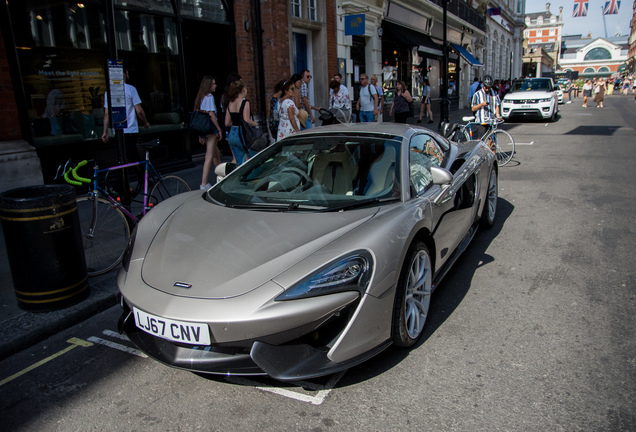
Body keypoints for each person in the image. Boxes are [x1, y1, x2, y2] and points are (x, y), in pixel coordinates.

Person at [102, 69, 150, 163]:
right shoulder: (131, 89)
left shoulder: (109, 92)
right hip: (130, 129)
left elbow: (107, 114)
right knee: (134, 158)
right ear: (125, 74)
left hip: (118, 131)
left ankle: (128, 176)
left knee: (122, 158)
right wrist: (145, 122)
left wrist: (105, 132)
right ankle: (141, 177)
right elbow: (139, 110)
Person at [193, 76, 223, 189]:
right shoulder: (209, 97)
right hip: (210, 129)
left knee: (216, 153)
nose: (215, 85)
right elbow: (211, 115)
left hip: (203, 129)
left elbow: (198, 116)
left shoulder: (200, 98)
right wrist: (219, 129)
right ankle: (204, 183)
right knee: (209, 155)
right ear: (209, 85)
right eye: (214, 84)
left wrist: (200, 135)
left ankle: (222, 176)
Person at [225, 79, 258, 165]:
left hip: (232, 134)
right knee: (250, 158)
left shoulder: (230, 103)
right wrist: (255, 123)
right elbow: (246, 120)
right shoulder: (245, 102)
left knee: (237, 160)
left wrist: (235, 122)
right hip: (242, 133)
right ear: (243, 89)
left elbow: (227, 123)